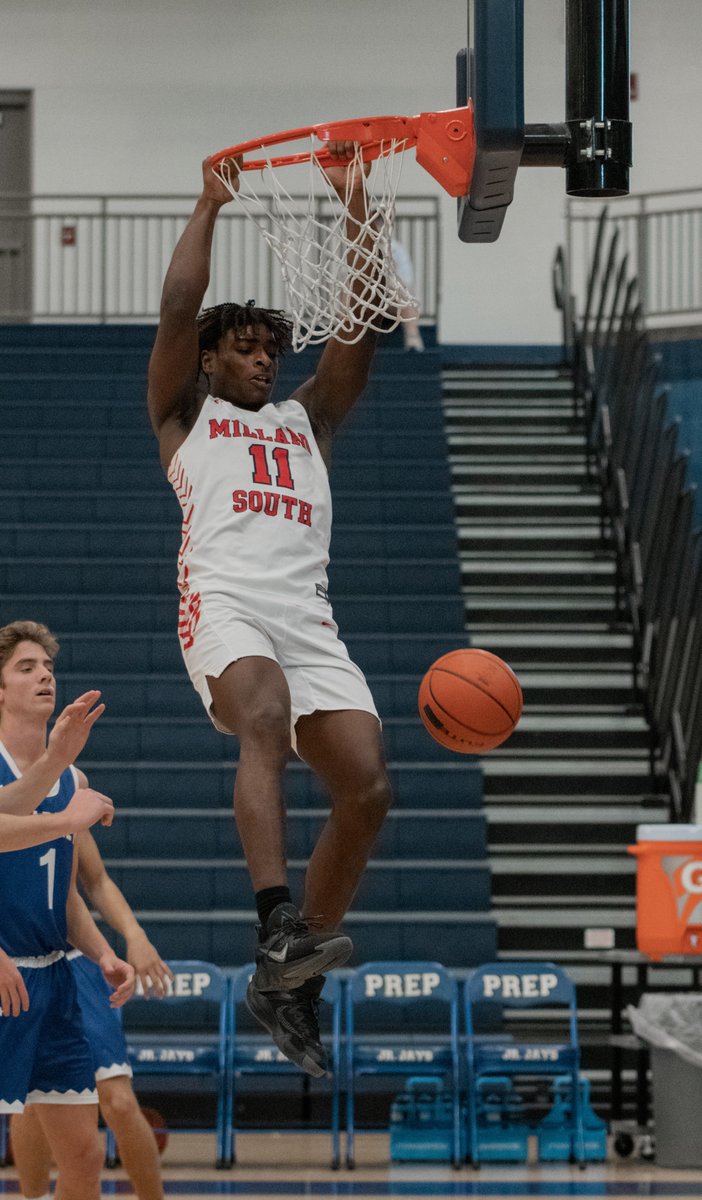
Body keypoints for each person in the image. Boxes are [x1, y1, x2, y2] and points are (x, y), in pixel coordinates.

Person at [147, 147, 395, 1077]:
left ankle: (291, 975)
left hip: (308, 616)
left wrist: (358, 204)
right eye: (243, 348)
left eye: (268, 351)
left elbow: (358, 333)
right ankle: (274, 921)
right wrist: (209, 203)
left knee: (368, 789)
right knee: (260, 712)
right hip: (226, 604)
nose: (260, 360)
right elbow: (177, 308)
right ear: (210, 360)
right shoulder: (186, 415)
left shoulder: (307, 422)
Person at [0, 619, 135, 1200]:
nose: (44, 675)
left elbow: (69, 894)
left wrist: (104, 953)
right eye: (25, 667)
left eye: (48, 666)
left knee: (84, 1152)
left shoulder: (68, 776)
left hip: (52, 979)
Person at [9, 830, 172, 1200]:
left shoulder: (67, 791)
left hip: (75, 963)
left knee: (118, 1100)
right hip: (16, 965)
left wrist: (135, 935)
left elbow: (95, 880)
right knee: (32, 1104)